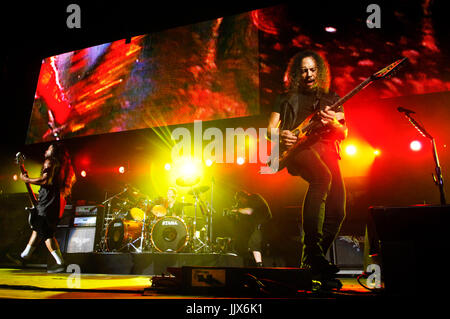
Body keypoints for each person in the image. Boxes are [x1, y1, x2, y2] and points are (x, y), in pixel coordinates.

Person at [267, 50, 347, 277]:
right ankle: (313, 252)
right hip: (298, 149)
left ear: (319, 72)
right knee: (322, 178)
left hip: (328, 151)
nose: (308, 74)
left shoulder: (332, 98)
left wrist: (332, 122)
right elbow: (269, 130)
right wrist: (281, 135)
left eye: (312, 70)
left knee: (337, 211)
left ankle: (311, 261)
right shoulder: (284, 98)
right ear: (296, 74)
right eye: (303, 70)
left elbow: (344, 132)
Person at [17, 143, 76, 273]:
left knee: (46, 233)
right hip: (55, 204)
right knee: (39, 229)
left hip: (47, 205)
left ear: (53, 151)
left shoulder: (50, 162)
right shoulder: (62, 167)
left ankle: (60, 262)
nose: (46, 150)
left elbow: (45, 180)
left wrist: (27, 180)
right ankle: (25, 256)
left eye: (49, 148)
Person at [228, 190, 272, 267]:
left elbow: (249, 211)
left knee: (254, 243)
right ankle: (257, 264)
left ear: (242, 197)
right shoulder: (251, 200)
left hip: (265, 223)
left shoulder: (253, 197)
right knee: (251, 243)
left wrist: (236, 210)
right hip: (262, 224)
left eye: (240, 200)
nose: (241, 203)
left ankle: (260, 265)